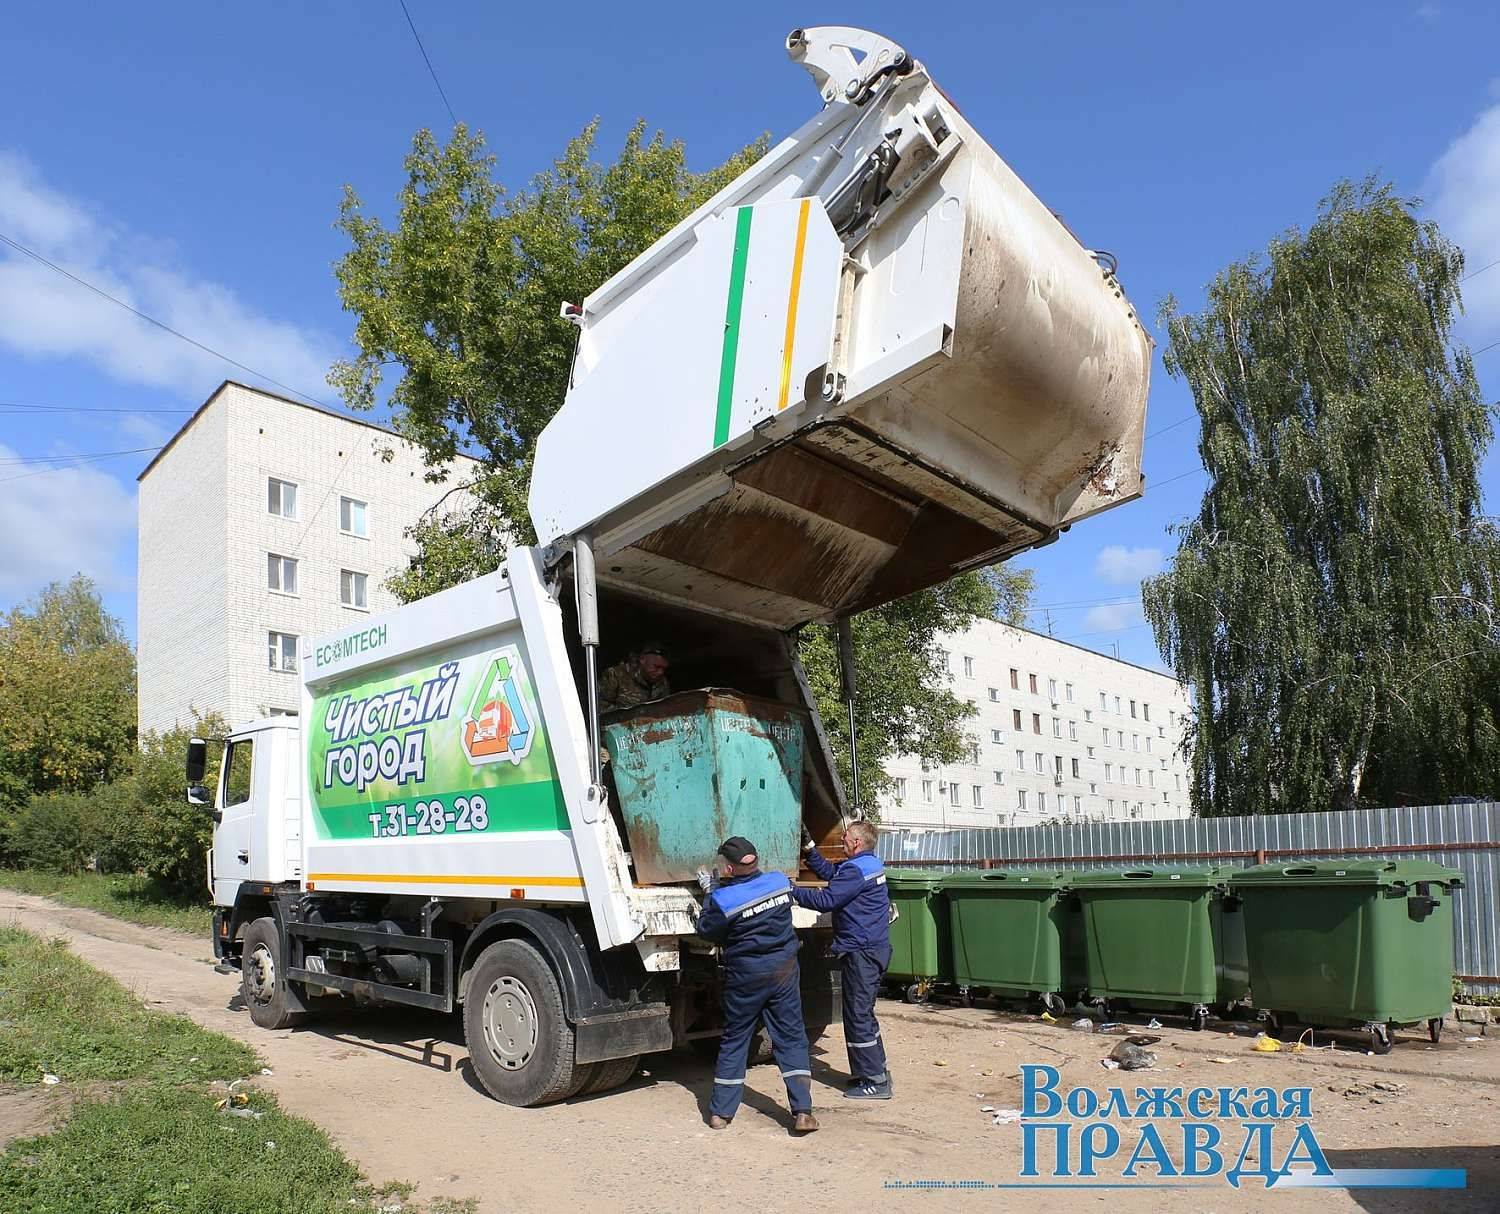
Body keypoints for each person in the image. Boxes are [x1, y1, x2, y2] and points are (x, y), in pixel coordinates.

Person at [694, 836, 819, 1134]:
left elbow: (707, 931)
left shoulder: (725, 900)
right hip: (784, 972)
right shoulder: (779, 883)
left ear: (727, 867)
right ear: (756, 859)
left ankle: (720, 1114)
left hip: (746, 977)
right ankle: (803, 1111)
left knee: (736, 1038)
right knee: (790, 1038)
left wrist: (710, 892)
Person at [793, 819, 893, 1100]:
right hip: (870, 949)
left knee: (859, 1016)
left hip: (862, 952)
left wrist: (789, 891)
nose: (842, 840)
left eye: (846, 837)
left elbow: (826, 900)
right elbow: (831, 873)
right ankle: (876, 1073)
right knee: (864, 1015)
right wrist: (810, 849)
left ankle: (875, 1082)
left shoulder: (856, 871)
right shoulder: (866, 865)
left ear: (858, 842)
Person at [598, 642, 671, 713]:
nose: (660, 672)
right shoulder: (615, 675)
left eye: (663, 669)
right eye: (656, 667)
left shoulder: (662, 682)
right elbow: (600, 707)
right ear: (642, 660)